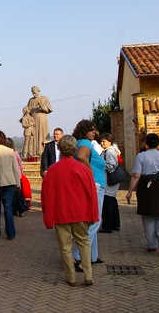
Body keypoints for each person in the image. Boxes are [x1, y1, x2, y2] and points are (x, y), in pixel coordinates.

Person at [42, 135, 98, 286]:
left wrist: (47, 215)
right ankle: (88, 275)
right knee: (84, 242)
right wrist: (94, 214)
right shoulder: (83, 169)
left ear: (59, 148)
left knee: (65, 246)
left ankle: (71, 278)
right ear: (74, 149)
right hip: (80, 212)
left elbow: (45, 196)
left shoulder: (52, 171)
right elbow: (91, 193)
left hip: (60, 213)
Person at [126, 133, 159, 255]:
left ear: (146, 144)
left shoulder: (141, 156)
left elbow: (136, 176)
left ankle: (152, 245)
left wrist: (130, 191)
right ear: (158, 144)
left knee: (148, 216)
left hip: (146, 188)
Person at [71, 120, 106, 271]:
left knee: (94, 221)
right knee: (94, 222)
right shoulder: (84, 143)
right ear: (84, 131)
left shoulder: (81, 142)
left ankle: (92, 256)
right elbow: (81, 156)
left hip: (96, 184)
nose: (95, 132)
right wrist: (90, 173)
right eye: (91, 130)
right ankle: (77, 256)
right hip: (95, 185)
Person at [0, 130, 21, 240]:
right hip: (9, 181)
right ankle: (10, 233)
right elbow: (15, 168)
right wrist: (18, 183)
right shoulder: (10, 151)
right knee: (8, 207)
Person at [98, 133, 121, 233]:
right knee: (112, 202)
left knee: (108, 203)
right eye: (101, 141)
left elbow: (111, 166)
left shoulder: (110, 152)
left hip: (109, 180)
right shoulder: (108, 151)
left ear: (110, 142)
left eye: (104, 141)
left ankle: (107, 226)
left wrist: (101, 164)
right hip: (109, 180)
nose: (102, 143)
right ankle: (115, 224)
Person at [26, 86, 53, 156]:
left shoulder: (44, 98)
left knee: (42, 135)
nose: (33, 93)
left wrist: (41, 106)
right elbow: (27, 111)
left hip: (42, 120)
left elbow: (48, 110)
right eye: (32, 92)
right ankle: (34, 153)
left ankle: (43, 152)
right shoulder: (31, 100)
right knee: (33, 136)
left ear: (38, 91)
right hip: (33, 120)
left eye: (34, 92)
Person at [6, 137, 29, 216]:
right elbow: (20, 165)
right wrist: (21, 174)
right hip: (17, 176)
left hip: (10, 177)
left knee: (12, 195)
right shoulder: (15, 153)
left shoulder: (6, 154)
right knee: (18, 194)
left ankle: (14, 210)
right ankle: (20, 209)